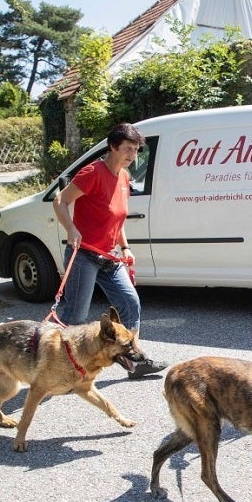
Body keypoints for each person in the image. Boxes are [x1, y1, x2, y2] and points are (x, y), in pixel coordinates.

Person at [52, 123, 167, 379]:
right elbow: (60, 201)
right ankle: (63, 368)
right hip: (83, 254)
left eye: (136, 150)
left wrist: (125, 247)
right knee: (76, 316)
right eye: (128, 149)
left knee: (130, 303)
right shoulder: (93, 173)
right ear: (113, 146)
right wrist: (71, 229)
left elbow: (117, 219)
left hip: (109, 255)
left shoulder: (124, 177)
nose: (132, 155)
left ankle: (136, 363)